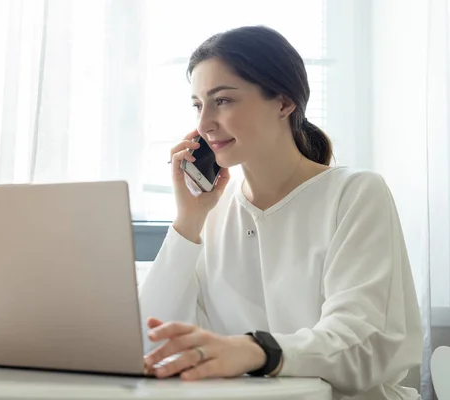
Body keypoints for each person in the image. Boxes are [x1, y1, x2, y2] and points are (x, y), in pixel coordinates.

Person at [138, 26, 423, 400]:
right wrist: (188, 221)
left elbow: (362, 345)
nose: (204, 123)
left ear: (285, 103)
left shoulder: (354, 194)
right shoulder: (211, 213)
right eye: (197, 104)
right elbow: (149, 342)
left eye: (222, 100)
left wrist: (255, 351)